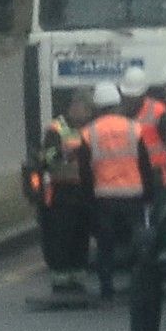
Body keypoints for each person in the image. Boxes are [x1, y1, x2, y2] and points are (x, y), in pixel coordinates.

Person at [34, 93, 99, 299]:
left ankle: (77, 280)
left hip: (83, 192)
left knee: (80, 236)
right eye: (84, 108)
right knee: (62, 237)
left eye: (89, 110)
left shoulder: (89, 129)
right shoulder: (56, 129)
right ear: (73, 107)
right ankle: (61, 284)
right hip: (61, 194)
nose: (87, 114)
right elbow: (46, 158)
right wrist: (64, 154)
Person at [84, 96, 151, 294]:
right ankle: (139, 285)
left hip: (104, 196)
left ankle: (106, 288)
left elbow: (84, 171)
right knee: (137, 241)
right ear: (117, 105)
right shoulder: (133, 128)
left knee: (106, 244)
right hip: (133, 194)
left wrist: (89, 199)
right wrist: (148, 193)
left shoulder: (90, 132)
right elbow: (144, 163)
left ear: (98, 106)